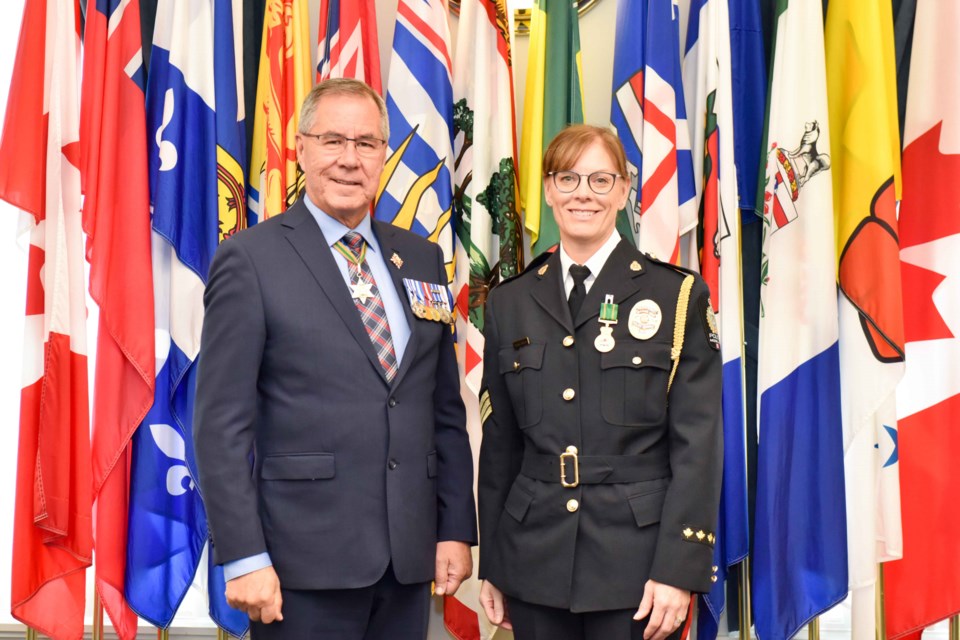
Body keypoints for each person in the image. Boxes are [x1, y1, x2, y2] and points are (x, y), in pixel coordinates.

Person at [194, 78, 477, 639]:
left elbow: (441, 408)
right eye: (333, 141)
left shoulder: (420, 258)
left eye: (366, 143)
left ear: (383, 155)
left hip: (407, 563)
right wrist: (245, 557)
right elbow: (219, 425)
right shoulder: (249, 260)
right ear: (300, 148)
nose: (350, 159)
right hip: (300, 567)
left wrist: (454, 528)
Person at [477, 125, 722, 640]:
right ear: (547, 190)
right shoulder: (509, 301)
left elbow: (698, 447)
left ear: (624, 189)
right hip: (533, 559)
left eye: (599, 179)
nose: (582, 193)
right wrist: (494, 563)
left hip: (636, 567)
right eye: (567, 178)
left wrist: (677, 570)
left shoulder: (676, 295)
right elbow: (500, 448)